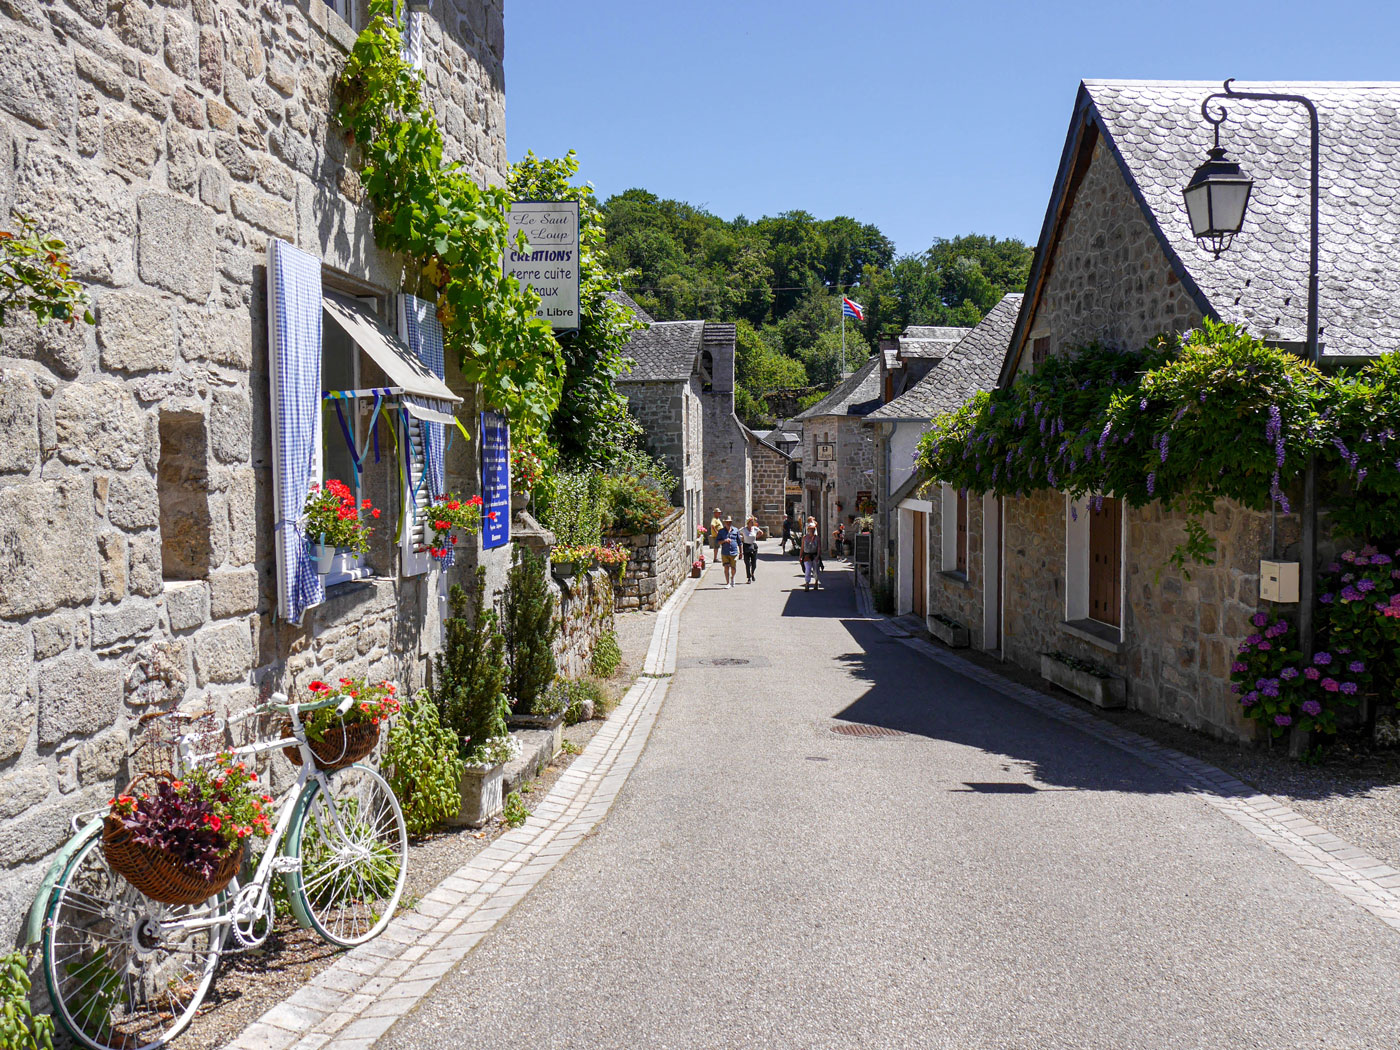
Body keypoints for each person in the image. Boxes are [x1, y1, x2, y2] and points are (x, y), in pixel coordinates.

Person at [716, 515, 741, 588]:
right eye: (727, 522)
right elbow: (718, 541)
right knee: (726, 567)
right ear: (725, 523)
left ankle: (732, 578)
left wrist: (741, 552)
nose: (728, 523)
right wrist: (724, 541)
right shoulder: (721, 531)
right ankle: (727, 583)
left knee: (733, 568)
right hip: (725, 552)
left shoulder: (736, 530)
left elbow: (739, 542)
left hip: (734, 552)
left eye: (729, 522)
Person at [799, 521, 822, 590]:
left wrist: (818, 556)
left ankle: (816, 582)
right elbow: (802, 548)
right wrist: (800, 557)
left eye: (813, 529)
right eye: (810, 529)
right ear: (808, 529)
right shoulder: (804, 538)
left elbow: (819, 548)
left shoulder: (817, 538)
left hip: (815, 555)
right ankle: (807, 583)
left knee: (816, 571)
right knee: (808, 570)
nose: (811, 530)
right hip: (807, 556)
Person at [740, 516, 761, 583]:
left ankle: (752, 573)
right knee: (747, 562)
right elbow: (737, 533)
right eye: (751, 522)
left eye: (753, 522)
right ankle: (749, 577)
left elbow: (761, 532)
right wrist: (742, 538)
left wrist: (756, 537)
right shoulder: (743, 529)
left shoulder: (755, 528)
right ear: (748, 523)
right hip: (746, 545)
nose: (752, 523)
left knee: (754, 563)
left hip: (753, 545)